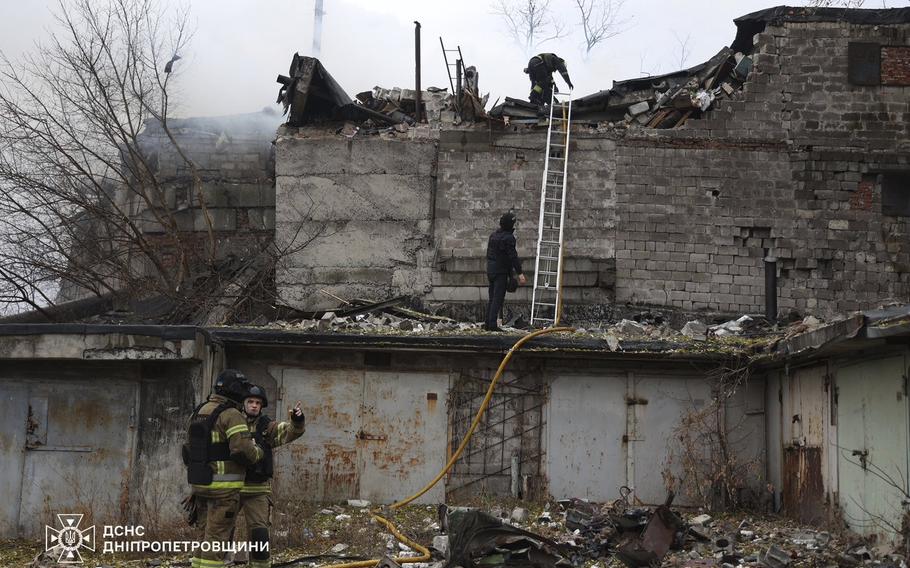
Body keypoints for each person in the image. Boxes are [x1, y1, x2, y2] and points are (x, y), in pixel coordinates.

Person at [184, 369, 263, 568]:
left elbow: (187, 449)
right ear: (235, 391)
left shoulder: (199, 411)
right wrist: (258, 452)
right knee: (216, 539)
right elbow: (242, 450)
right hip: (224, 489)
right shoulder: (231, 414)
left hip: (200, 485)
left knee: (203, 537)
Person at [239, 384, 306, 568]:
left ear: (262, 406)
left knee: (259, 534)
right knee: (221, 532)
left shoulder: (266, 427)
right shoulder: (232, 422)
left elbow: (290, 431)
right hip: (230, 487)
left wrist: (297, 419)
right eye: (250, 401)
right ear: (243, 404)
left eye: (257, 403)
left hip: (257, 489)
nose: (253, 405)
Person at [485, 211, 527, 331]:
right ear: (510, 224)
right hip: (500, 272)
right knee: (498, 298)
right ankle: (492, 325)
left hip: (491, 270)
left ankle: (488, 323)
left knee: (492, 298)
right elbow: (512, 257)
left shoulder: (493, 235)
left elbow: (489, 254)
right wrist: (519, 273)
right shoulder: (509, 238)